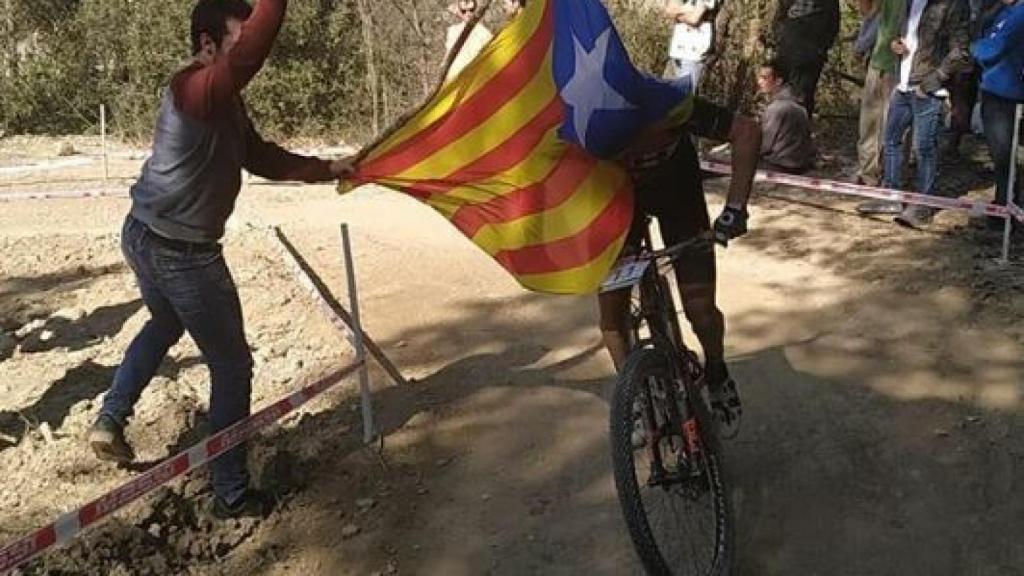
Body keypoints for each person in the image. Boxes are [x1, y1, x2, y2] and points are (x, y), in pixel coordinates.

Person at [88, 0, 354, 519]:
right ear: (208, 45)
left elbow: (263, 158)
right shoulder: (195, 89)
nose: (243, 56)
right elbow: (249, 57)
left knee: (165, 321)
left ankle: (110, 418)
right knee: (232, 365)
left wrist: (330, 168)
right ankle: (231, 492)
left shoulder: (222, 100)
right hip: (179, 252)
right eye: (235, 41)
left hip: (144, 235)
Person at [600, 98, 761, 431]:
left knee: (700, 310)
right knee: (612, 319)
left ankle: (716, 371)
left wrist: (736, 208)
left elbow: (747, 130)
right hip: (615, 200)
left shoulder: (664, 100)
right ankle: (637, 398)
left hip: (678, 191)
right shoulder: (574, 116)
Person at [881, 0, 970, 228]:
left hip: (928, 89)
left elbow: (961, 51)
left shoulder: (953, 5)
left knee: (924, 148)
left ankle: (924, 205)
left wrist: (934, 80)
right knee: (891, 140)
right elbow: (909, 36)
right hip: (903, 84)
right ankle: (891, 196)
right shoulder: (910, 3)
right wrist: (896, 45)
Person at [972, 0, 1024, 229]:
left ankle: (1006, 209)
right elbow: (989, 32)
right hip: (993, 87)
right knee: (1000, 154)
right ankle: (1004, 204)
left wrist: (973, 48)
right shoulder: (1005, 11)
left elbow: (994, 46)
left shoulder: (1019, 14)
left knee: (1003, 154)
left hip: (1005, 92)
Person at [772, 0, 841, 119]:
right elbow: (834, 22)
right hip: (800, 45)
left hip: (803, 46)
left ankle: (788, 131)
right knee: (795, 97)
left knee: (794, 96)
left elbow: (833, 22)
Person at [756, 59, 817, 173]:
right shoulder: (799, 105)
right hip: (800, 164)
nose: (759, 82)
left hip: (780, 165)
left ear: (778, 81)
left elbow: (764, 146)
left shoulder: (777, 108)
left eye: (764, 78)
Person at [661, 0, 721, 89]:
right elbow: (668, 10)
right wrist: (686, 9)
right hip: (676, 50)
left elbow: (694, 18)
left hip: (693, 52)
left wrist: (677, 13)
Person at [444, 0, 494, 81]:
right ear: (459, 12)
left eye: (471, 10)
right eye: (463, 11)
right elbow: (447, 57)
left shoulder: (484, 33)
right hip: (454, 80)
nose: (467, 14)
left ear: (475, 10)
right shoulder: (452, 31)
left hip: (474, 80)